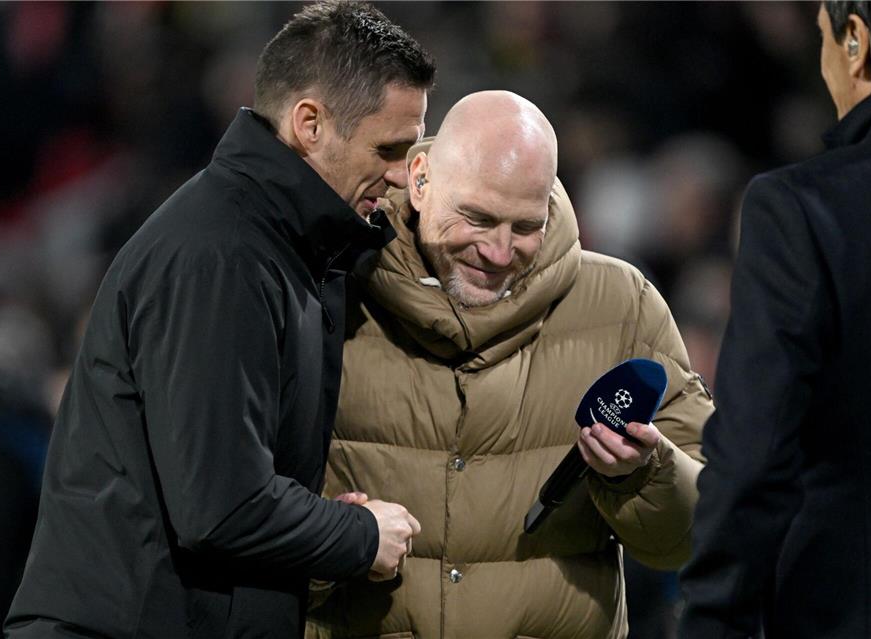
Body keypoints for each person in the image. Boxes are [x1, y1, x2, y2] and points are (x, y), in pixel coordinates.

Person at [5, 3, 435, 638]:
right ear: (310, 124)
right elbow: (222, 507)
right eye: (388, 149)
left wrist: (313, 518)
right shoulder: (223, 256)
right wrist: (359, 534)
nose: (401, 176)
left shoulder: (282, 245)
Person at [303, 91, 714, 639]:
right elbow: (240, 511)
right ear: (420, 180)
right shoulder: (324, 290)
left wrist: (644, 473)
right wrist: (331, 539)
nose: (498, 252)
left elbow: (702, 531)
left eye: (525, 226)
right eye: (477, 218)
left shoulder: (623, 308)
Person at [679, 3, 871, 638]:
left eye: (823, 35)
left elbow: (754, 458)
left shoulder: (804, 209)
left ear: (856, 41)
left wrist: (712, 620)